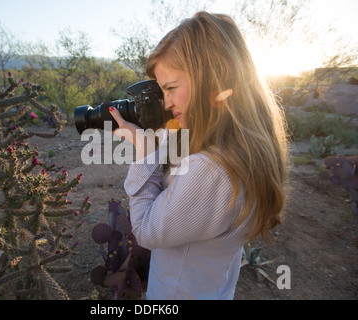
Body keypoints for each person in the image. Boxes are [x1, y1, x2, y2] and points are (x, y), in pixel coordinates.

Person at [109, 11, 289, 300]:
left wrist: (145, 153)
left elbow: (145, 230)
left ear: (210, 79)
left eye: (170, 88)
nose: (166, 103)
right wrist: (162, 134)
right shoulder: (241, 150)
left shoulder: (210, 170)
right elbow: (185, 165)